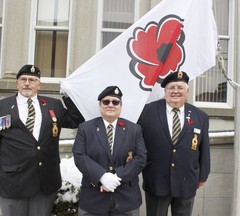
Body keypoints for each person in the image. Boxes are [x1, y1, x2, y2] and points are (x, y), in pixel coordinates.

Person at [0, 64, 85, 216]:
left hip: (44, 180)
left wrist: (69, 96)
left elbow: (76, 120)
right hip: (13, 180)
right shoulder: (3, 106)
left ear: (39, 85)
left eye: (32, 80)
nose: (27, 83)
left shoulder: (53, 105)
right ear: (17, 83)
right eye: (23, 79)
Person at [137, 71, 210, 216]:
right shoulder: (147, 112)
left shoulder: (200, 116)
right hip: (156, 179)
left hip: (187, 180)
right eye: (171, 88)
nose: (175, 91)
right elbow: (137, 143)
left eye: (180, 87)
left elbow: (204, 147)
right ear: (165, 91)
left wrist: (203, 175)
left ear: (187, 91)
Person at [73, 86, 147, 216]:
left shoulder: (134, 129)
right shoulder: (85, 128)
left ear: (121, 105)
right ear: (100, 105)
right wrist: (102, 176)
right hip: (93, 199)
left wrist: (117, 177)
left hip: (126, 199)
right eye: (106, 102)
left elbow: (141, 158)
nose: (110, 105)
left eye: (115, 102)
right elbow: (80, 156)